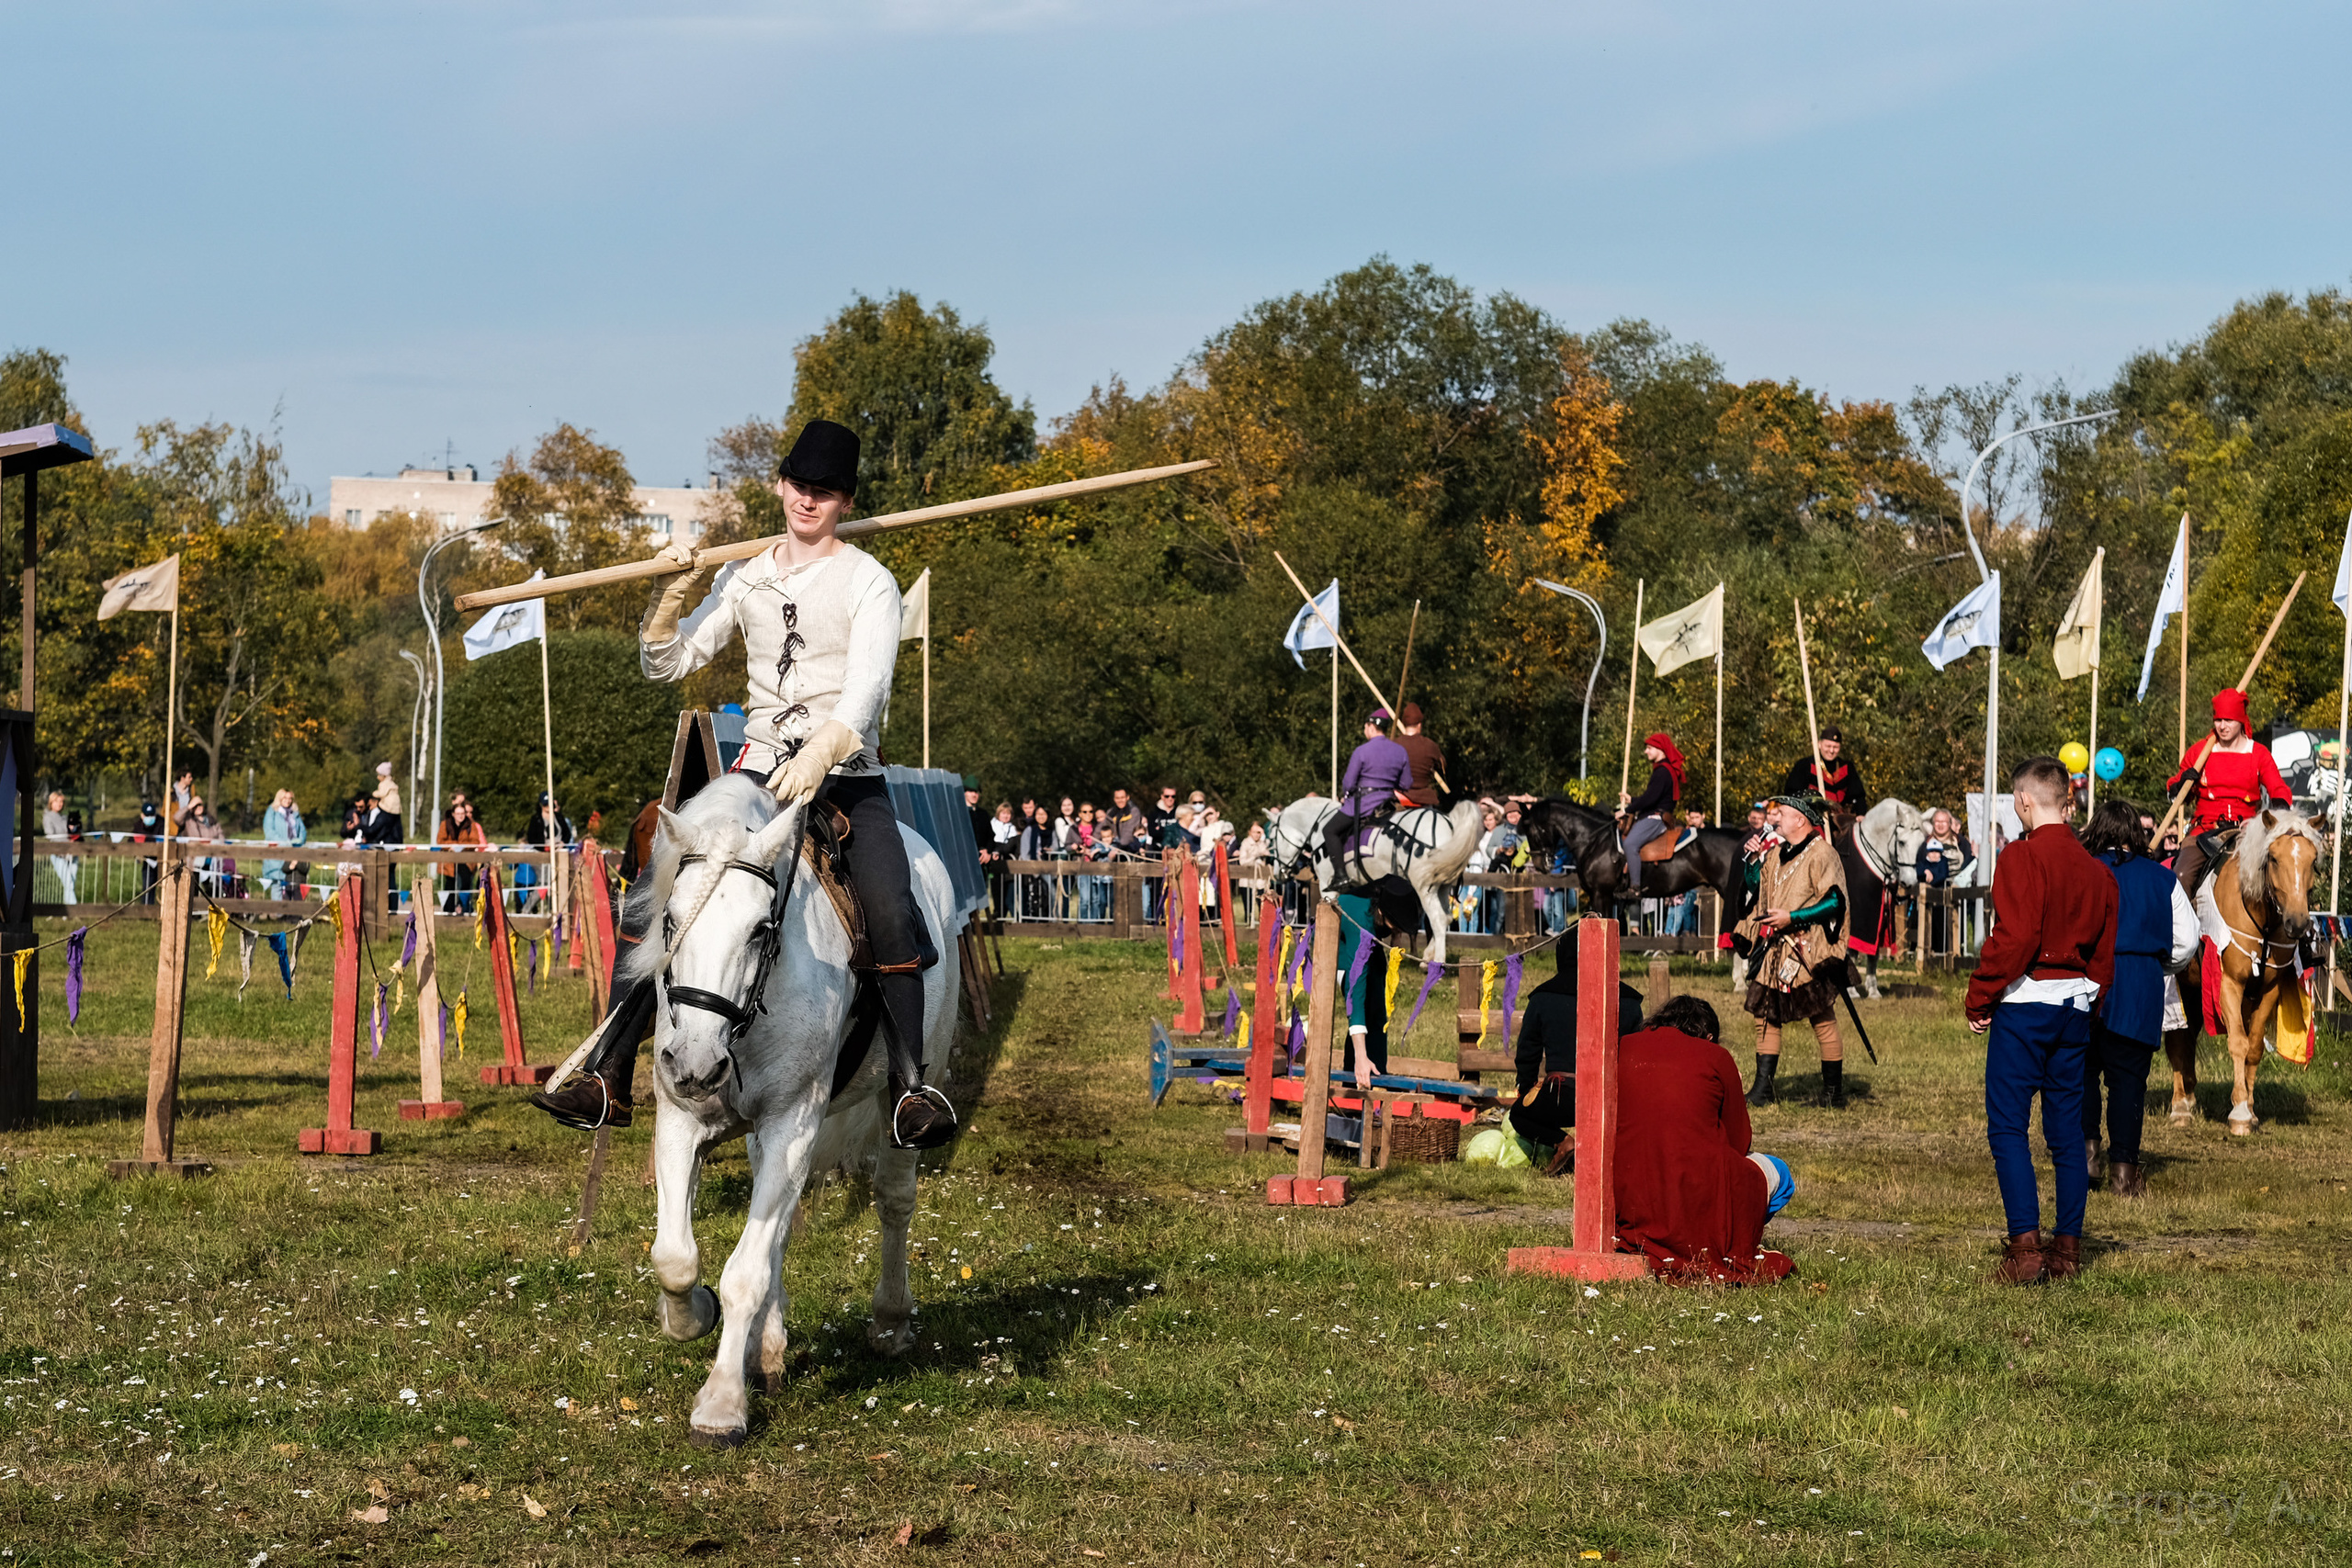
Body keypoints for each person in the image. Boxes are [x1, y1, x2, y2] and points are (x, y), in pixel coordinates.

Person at [534, 418, 955, 1149]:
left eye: (824, 492)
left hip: (846, 775)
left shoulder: (871, 583)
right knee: (660, 884)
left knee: (890, 903)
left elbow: (866, 696)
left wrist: (822, 753)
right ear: (780, 485)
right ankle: (608, 1068)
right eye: (799, 485)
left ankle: (910, 1085)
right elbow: (668, 662)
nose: (808, 501)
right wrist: (671, 596)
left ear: (844, 501)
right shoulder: (746, 574)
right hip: (758, 770)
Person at [1965, 755, 2118, 1285]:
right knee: (2066, 1136)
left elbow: (2017, 937)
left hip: (2026, 1003)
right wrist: (2088, 1002)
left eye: (2016, 801)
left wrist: (1979, 995)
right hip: (2075, 1006)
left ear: (2026, 801)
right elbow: (2104, 954)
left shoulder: (2020, 857)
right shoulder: (2098, 870)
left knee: (2008, 1127)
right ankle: (2068, 1251)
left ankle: (2026, 1250)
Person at [1608, 996, 1796, 1282]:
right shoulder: (1715, 1057)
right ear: (1708, 1036)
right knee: (1779, 1173)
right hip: (1694, 1194)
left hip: (1630, 1196)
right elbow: (1739, 1141)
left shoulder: (1625, 1046)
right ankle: (1732, 1240)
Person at [2077, 798, 2198, 1201]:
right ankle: (2124, 1173)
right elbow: (2186, 941)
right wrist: (2159, 967)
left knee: (2081, 1073)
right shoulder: (2162, 879)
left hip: (2083, 980)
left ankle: (2087, 1155)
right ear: (2137, 834)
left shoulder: (2081, 869)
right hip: (2138, 983)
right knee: (2129, 1082)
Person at [1730, 795, 1851, 1109]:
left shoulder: (1822, 853)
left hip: (1807, 950)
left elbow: (1836, 901)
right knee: (1765, 1014)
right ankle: (1763, 1089)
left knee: (1821, 1017)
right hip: (1774, 949)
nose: (1775, 818)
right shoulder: (1775, 852)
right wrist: (1753, 863)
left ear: (1800, 819)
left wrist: (1793, 918)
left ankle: (1832, 1093)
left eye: (1781, 813)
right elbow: (1758, 888)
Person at [1508, 953, 1645, 1155]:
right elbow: (1635, 1058)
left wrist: (1526, 1090)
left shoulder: (1542, 998)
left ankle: (1562, 1142)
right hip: (1610, 1100)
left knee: (1520, 1115)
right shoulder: (1629, 1002)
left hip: (1560, 1097)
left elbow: (1528, 1052)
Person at [2165, 688, 2290, 900]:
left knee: (2283, 872)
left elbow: (2278, 790)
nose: (2222, 726)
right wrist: (2182, 784)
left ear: (2241, 721)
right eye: (2218, 720)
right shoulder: (2200, 751)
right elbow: (2177, 795)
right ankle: (2180, 930)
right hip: (2205, 832)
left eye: (2229, 720)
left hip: (2248, 831)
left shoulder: (2258, 753)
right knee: (2181, 875)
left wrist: (2267, 817)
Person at [1321, 709, 1411, 887]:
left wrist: (1346, 796)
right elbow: (1406, 783)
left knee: (1329, 830)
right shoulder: (1400, 751)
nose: (1364, 730)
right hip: (1389, 804)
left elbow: (1348, 783)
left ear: (1371, 727)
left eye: (1365, 727)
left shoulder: (1362, 750)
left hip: (1364, 804)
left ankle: (1340, 875)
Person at [1619, 733, 1686, 894]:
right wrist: (1633, 800)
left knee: (1630, 844)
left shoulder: (1662, 771)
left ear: (1660, 750)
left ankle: (1635, 887)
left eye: (1649, 748)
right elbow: (1654, 797)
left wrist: (1626, 810)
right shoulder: (1662, 770)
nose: (1646, 752)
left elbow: (1650, 798)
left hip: (1656, 818)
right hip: (1655, 813)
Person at [1916, 808, 1975, 955]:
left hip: (1956, 890)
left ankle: (1955, 949)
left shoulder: (1961, 842)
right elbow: (1919, 863)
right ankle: (1931, 950)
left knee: (1955, 921)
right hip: (1932, 890)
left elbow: (1968, 862)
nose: (1940, 825)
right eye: (1937, 822)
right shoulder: (1926, 844)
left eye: (1944, 822)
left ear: (1950, 823)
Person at [1781, 726, 1867, 818]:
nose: (1831, 751)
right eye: (1828, 746)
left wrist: (1861, 814)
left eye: (1835, 747)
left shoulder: (1847, 767)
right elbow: (1792, 794)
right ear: (1819, 744)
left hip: (1841, 821)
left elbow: (1858, 796)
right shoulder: (1804, 765)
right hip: (1813, 819)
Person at [436, 797, 489, 912]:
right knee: (450, 883)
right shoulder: (445, 824)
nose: (461, 816)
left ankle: (465, 907)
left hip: (466, 860)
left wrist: (462, 846)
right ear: (453, 814)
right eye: (458, 813)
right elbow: (440, 840)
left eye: (462, 813)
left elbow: (475, 841)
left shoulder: (471, 825)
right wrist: (453, 845)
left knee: (465, 881)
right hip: (449, 860)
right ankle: (448, 910)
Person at [1396, 703, 1445, 808]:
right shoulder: (1430, 745)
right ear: (1419, 724)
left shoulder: (1393, 745)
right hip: (1423, 800)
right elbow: (1442, 766)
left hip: (1399, 798)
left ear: (1404, 724)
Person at [261, 788, 306, 902]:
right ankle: (278, 914)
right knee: (277, 884)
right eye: (285, 798)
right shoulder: (272, 812)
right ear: (279, 798)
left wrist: (297, 842)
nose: (288, 801)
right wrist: (286, 843)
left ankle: (292, 914)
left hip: (293, 854)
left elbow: (303, 832)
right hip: (277, 854)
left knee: (293, 886)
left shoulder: (295, 814)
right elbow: (269, 832)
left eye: (290, 798)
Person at [42, 791, 75, 907]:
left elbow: (70, 833)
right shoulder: (48, 817)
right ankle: (74, 911)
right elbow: (50, 836)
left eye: (61, 801)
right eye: (57, 801)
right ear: (51, 802)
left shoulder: (65, 817)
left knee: (71, 884)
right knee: (69, 882)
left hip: (71, 853)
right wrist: (67, 842)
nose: (59, 804)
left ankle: (67, 912)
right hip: (58, 853)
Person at [370, 761, 404, 844]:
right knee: (396, 827)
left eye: (379, 775)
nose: (378, 777)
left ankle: (375, 839)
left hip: (388, 807)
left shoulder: (383, 784)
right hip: (396, 808)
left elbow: (381, 793)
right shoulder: (392, 782)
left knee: (383, 825)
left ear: (383, 775)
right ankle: (399, 842)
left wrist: (374, 793)